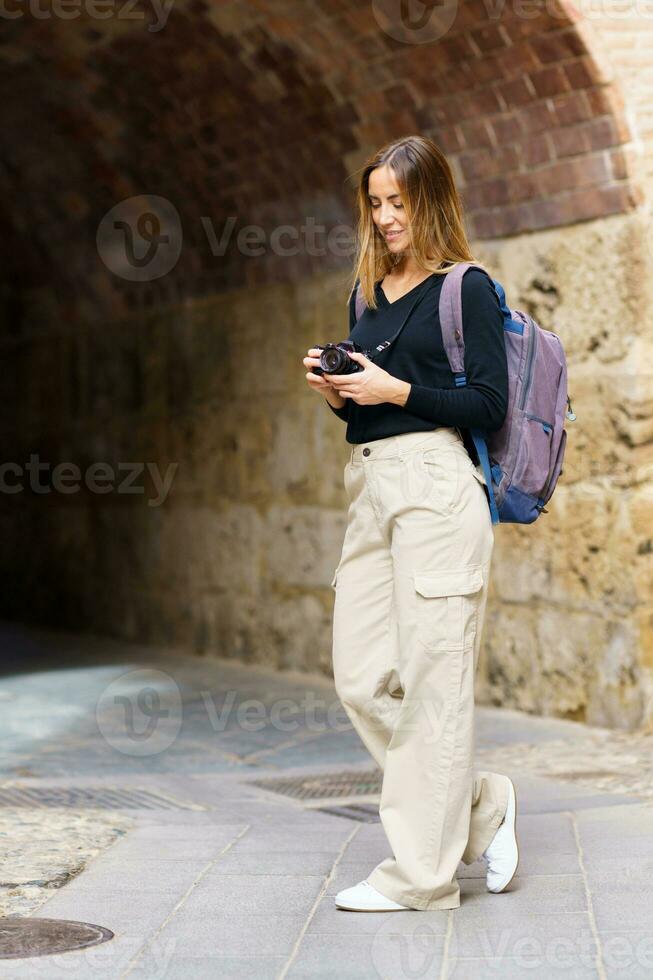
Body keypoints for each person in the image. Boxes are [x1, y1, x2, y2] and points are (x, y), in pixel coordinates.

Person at [302, 135, 519, 912]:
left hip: (436, 487)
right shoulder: (365, 295)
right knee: (361, 677)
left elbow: (487, 406)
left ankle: (421, 879)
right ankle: (480, 805)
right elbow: (367, 418)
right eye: (374, 203)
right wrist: (341, 394)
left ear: (430, 199)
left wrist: (394, 392)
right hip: (372, 489)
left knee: (432, 684)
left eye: (398, 202)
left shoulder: (466, 289)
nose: (386, 217)